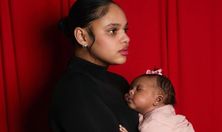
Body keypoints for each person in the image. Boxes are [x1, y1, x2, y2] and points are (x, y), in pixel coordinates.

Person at [49, 0, 139, 132]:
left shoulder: (119, 83)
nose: (126, 38)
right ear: (82, 37)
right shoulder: (75, 90)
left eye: (125, 29)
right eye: (113, 30)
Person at [119, 69, 195, 132]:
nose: (131, 91)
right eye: (131, 88)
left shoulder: (156, 121)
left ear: (157, 100)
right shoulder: (161, 114)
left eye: (138, 89)